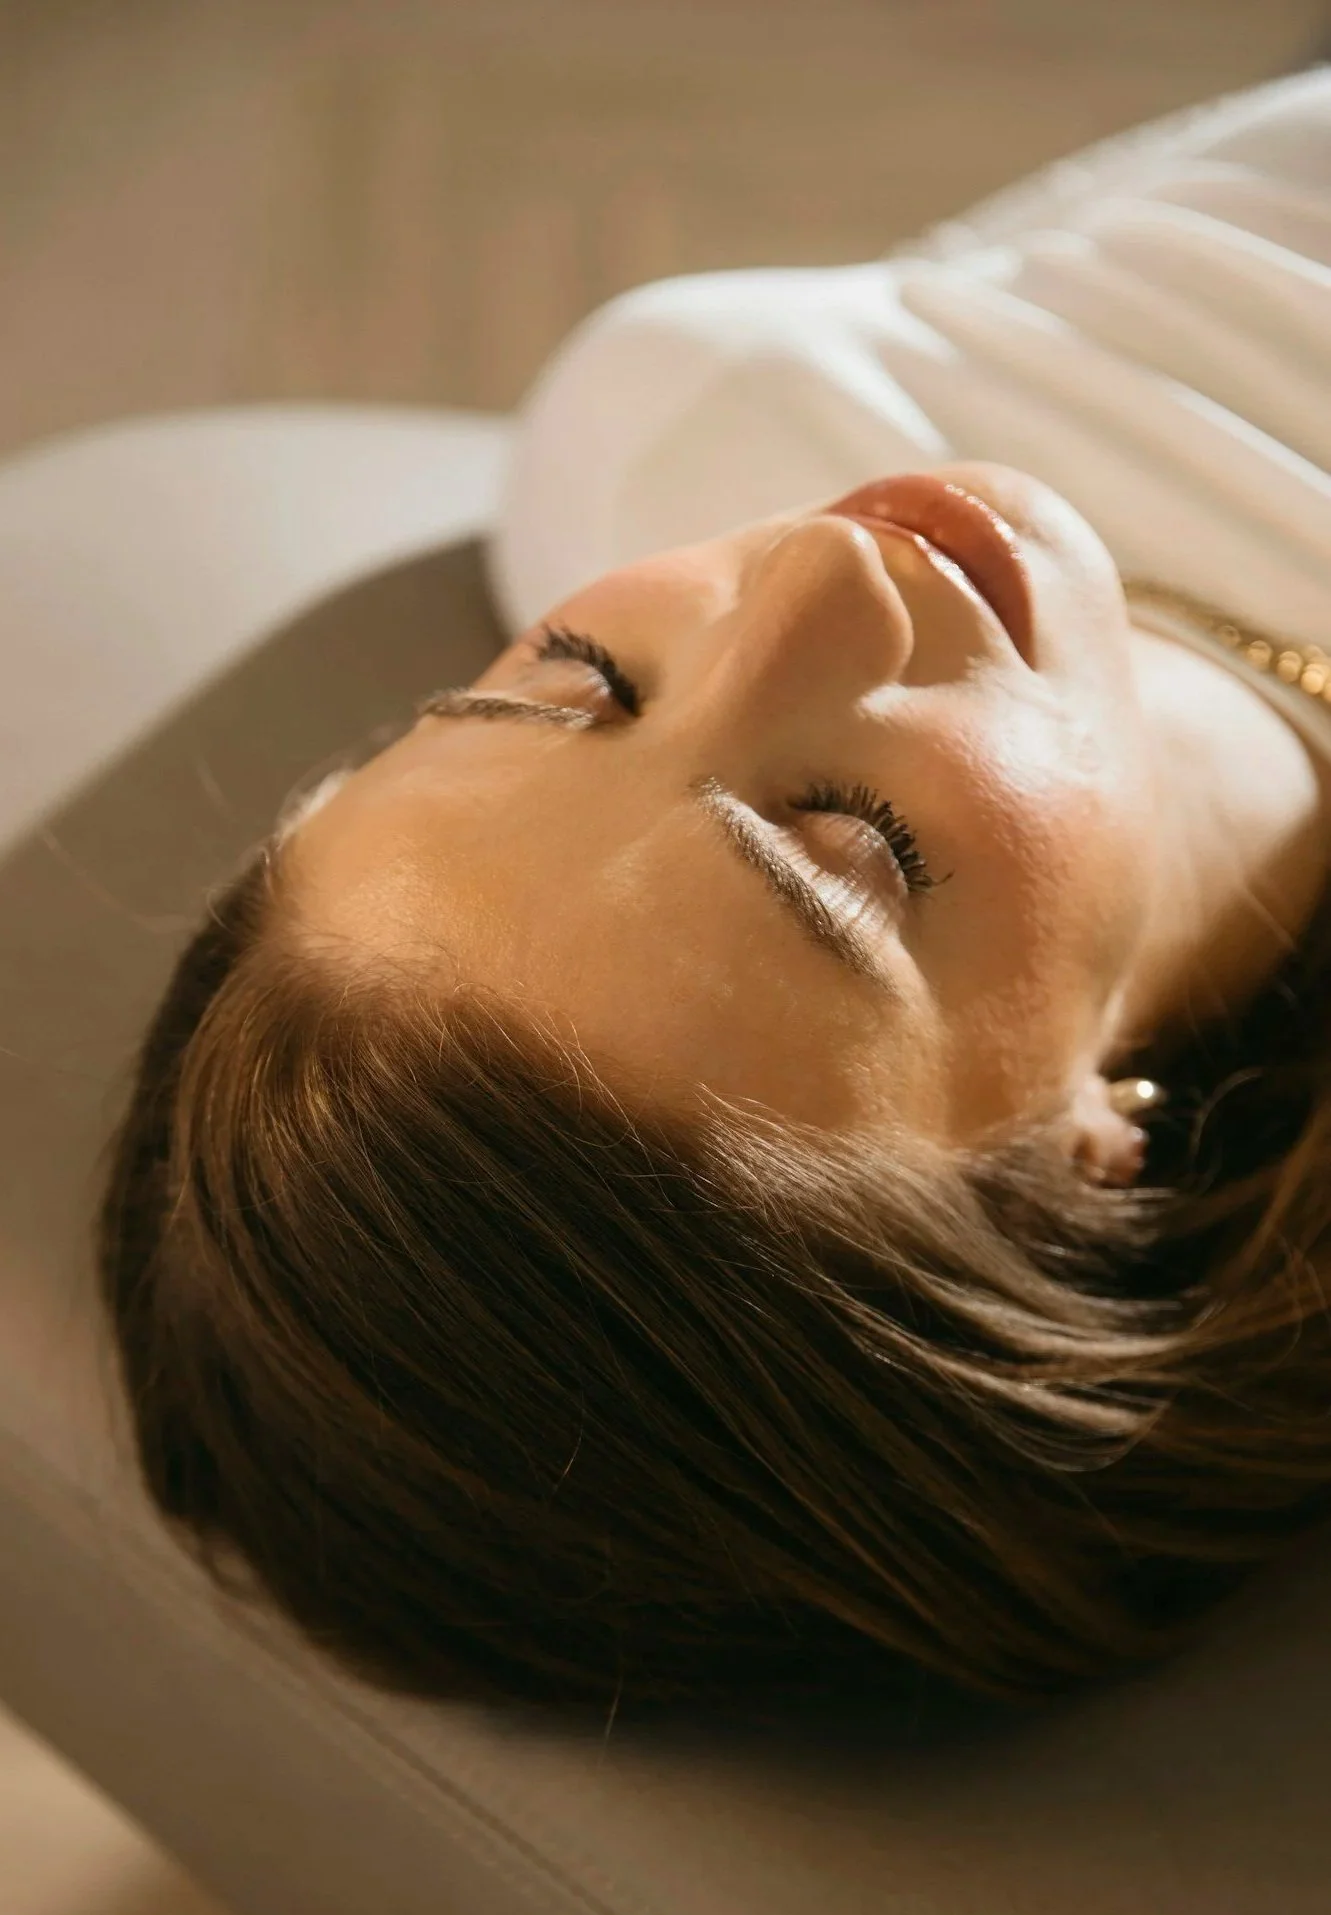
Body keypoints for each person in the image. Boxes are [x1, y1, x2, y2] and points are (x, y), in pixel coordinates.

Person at [96, 69, 1331, 1731]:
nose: (821, 569)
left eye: (579, 684)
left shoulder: (694, 423)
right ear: (1078, 1159)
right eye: (849, 853)